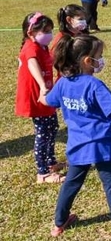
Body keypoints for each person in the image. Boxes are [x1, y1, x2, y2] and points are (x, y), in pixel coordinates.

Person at [39, 35, 111, 239]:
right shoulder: (94, 85)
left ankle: (59, 223)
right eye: (99, 56)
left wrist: (42, 93)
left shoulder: (63, 83)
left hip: (77, 146)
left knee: (71, 184)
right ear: (87, 60)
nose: (101, 60)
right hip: (102, 146)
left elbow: (49, 101)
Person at [15, 12, 65, 184]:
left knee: (52, 127)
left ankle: (50, 162)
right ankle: (42, 173)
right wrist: (43, 86)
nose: (49, 34)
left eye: (51, 30)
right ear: (31, 33)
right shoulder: (30, 47)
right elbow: (32, 64)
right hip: (37, 96)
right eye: (45, 31)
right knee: (43, 133)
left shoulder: (41, 46)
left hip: (46, 94)